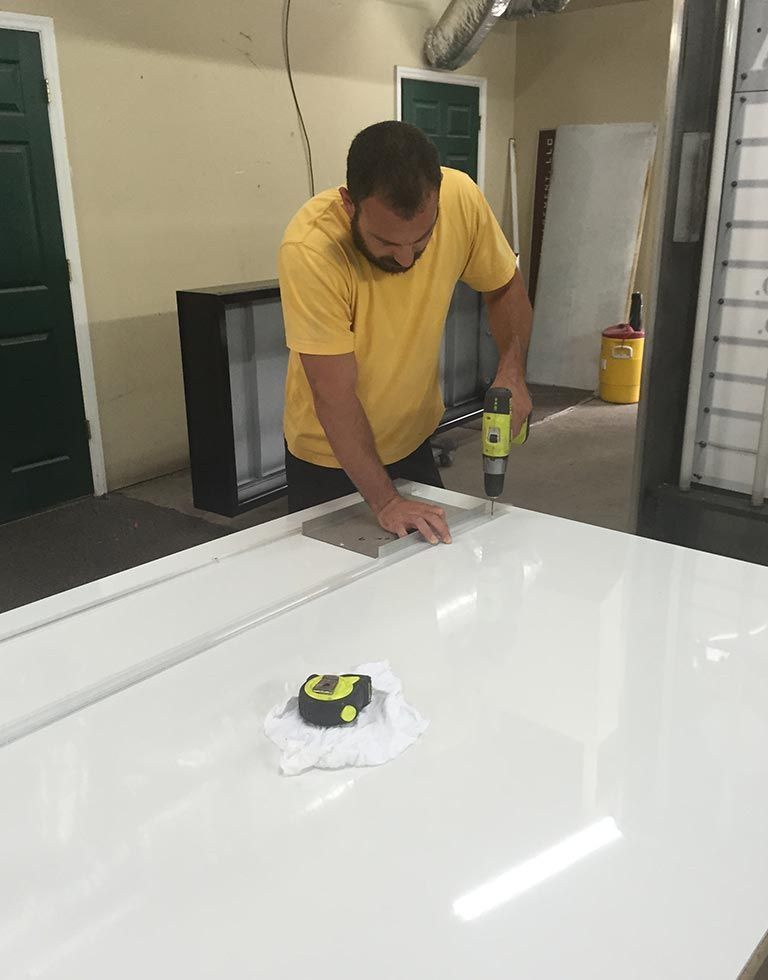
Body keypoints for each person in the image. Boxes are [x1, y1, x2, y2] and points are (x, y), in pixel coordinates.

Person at [278, 121, 532, 545]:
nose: (405, 257)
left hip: (413, 442)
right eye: (385, 242)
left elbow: (504, 286)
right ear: (348, 205)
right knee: (339, 602)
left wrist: (512, 369)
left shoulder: (461, 197)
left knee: (430, 578)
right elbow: (333, 394)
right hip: (328, 459)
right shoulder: (310, 250)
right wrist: (384, 502)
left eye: (422, 239)